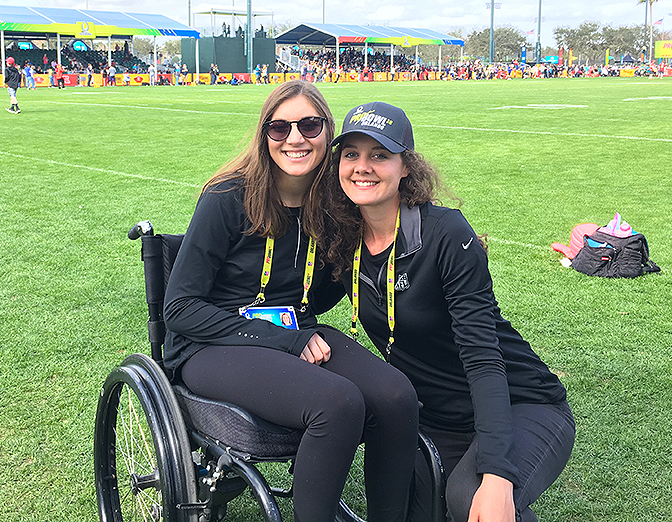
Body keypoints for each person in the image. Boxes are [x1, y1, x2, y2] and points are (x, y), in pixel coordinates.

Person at [163, 81, 419, 522]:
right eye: (279, 127)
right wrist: (282, 340)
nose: (295, 138)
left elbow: (321, 289)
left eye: (309, 125)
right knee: (337, 403)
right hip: (212, 344)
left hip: (295, 329)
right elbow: (180, 308)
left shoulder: (335, 202)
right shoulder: (227, 196)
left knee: (396, 396)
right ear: (264, 136)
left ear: (328, 133)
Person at [319, 102, 575, 522]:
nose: (362, 167)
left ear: (405, 167)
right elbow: (300, 300)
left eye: (380, 155)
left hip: (521, 402)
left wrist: (495, 473)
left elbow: (483, 357)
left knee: (471, 498)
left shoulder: (445, 234)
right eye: (351, 154)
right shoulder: (343, 242)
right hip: (438, 418)